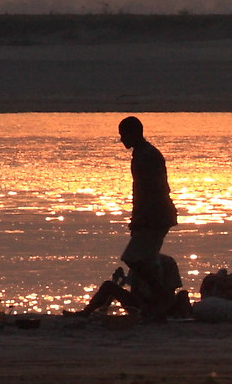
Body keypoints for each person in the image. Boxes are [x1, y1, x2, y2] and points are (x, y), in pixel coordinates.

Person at [77, 116, 180, 316]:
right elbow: (141, 192)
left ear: (135, 134)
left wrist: (141, 217)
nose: (122, 140)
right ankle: (154, 303)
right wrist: (137, 217)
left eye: (124, 135)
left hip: (156, 216)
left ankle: (162, 297)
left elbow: (154, 190)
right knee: (145, 260)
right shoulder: (142, 154)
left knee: (133, 258)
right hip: (153, 215)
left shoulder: (147, 156)